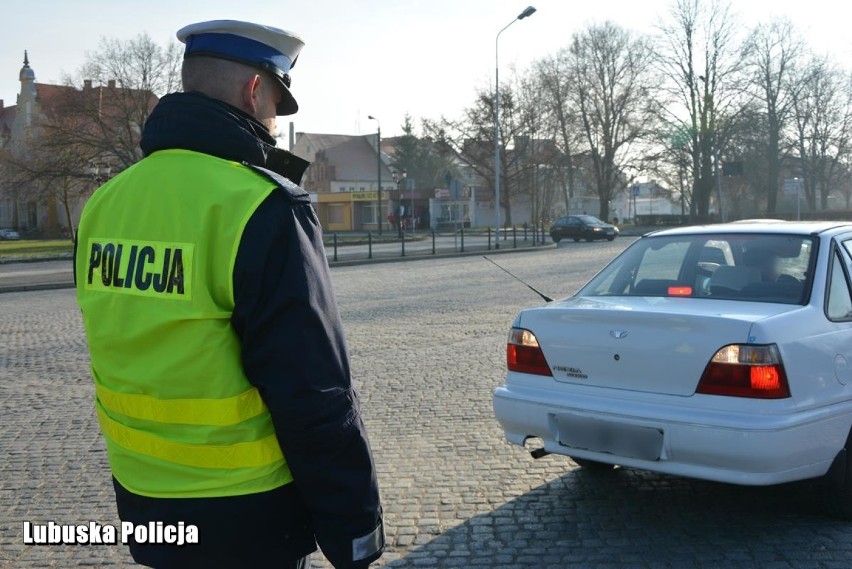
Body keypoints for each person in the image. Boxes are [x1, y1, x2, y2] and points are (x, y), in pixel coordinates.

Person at [74, 20, 383, 569]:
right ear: (254, 91)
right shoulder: (260, 206)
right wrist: (353, 527)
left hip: (144, 499)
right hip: (246, 508)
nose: (273, 120)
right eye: (276, 104)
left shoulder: (104, 203)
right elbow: (312, 389)